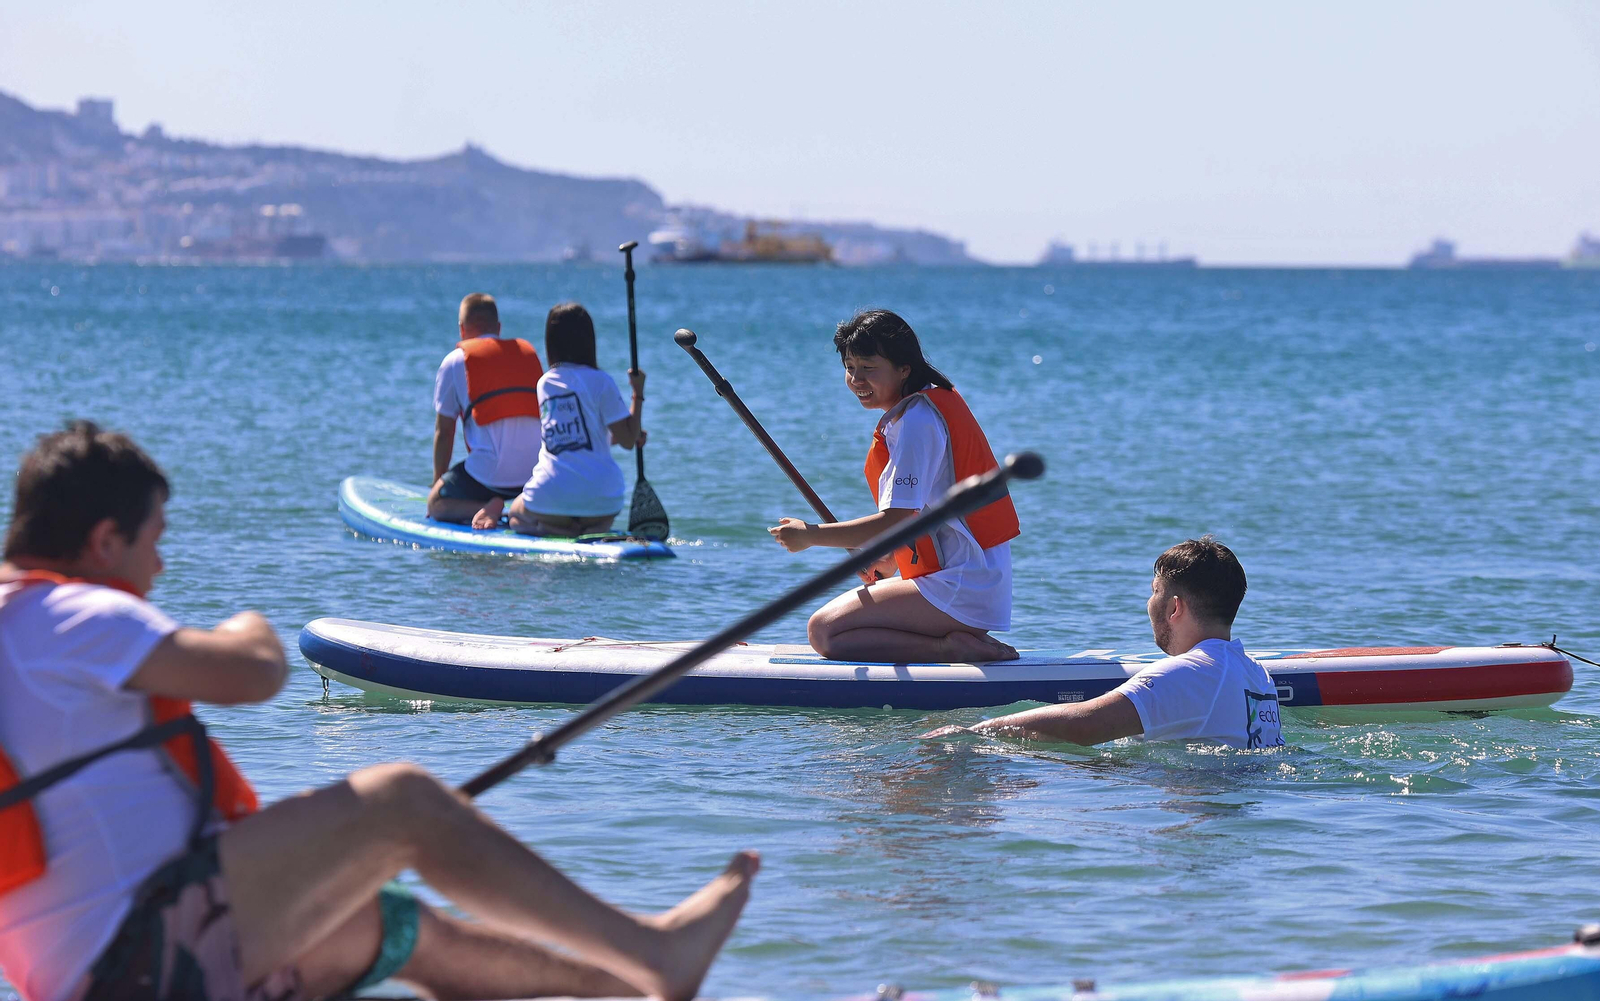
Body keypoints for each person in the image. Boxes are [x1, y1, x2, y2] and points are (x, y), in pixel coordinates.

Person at [0, 422, 757, 1001]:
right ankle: (653, 952)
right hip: (143, 951)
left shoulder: (16, 626)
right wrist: (249, 622)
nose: (160, 568)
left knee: (399, 928)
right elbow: (254, 673)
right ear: (105, 541)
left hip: (120, 961)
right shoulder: (67, 613)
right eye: (154, 543)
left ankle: (627, 986)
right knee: (402, 802)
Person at [768, 309, 1020, 664]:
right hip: (972, 582)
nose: (856, 379)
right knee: (832, 628)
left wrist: (811, 535)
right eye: (850, 367)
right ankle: (953, 639)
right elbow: (927, 515)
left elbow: (898, 518)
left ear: (904, 369)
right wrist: (888, 559)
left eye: (868, 368)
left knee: (824, 631)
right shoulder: (922, 409)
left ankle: (950, 648)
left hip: (964, 588)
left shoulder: (917, 421)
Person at [924, 537, 1286, 750]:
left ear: (1175, 607)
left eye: (1154, 592)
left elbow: (1085, 724)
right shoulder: (1258, 676)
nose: (1149, 603)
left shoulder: (1189, 673)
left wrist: (975, 735)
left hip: (1199, 818)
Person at [475, 302, 646, 537]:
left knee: (515, 516)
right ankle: (589, 528)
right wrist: (638, 393)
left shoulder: (544, 383)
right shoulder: (601, 380)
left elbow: (568, 438)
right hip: (603, 501)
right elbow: (628, 440)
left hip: (551, 494)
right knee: (600, 520)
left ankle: (551, 528)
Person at [428, 293, 545, 525]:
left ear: (462, 329)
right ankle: (523, 506)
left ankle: (489, 508)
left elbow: (445, 432)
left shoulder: (455, 361)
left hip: (489, 479)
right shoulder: (528, 354)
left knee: (436, 504)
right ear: (498, 328)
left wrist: (437, 485)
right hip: (535, 473)